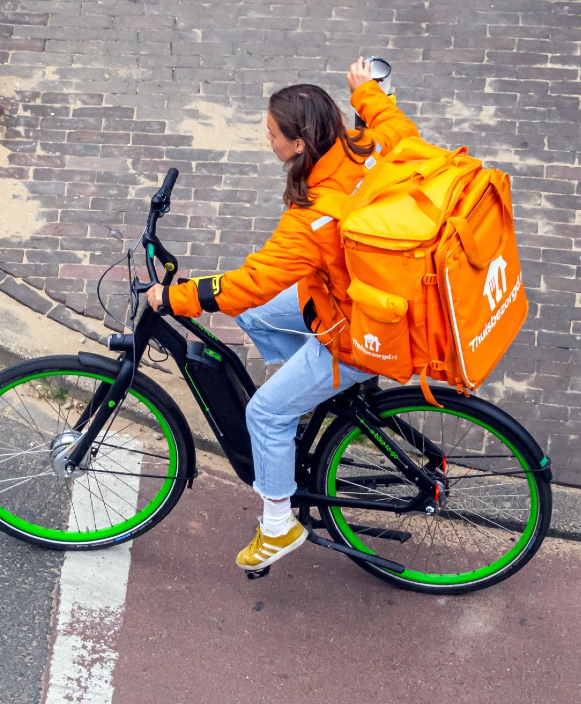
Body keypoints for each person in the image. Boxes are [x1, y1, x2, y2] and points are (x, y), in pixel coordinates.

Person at [147, 57, 418, 572]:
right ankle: (315, 402)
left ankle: (278, 526)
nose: (267, 139)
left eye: (272, 133)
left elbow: (251, 283)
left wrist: (175, 298)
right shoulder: (365, 146)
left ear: (298, 144)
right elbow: (399, 128)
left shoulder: (312, 218)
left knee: (265, 414)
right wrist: (368, 92)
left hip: (357, 331)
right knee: (259, 317)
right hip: (362, 297)